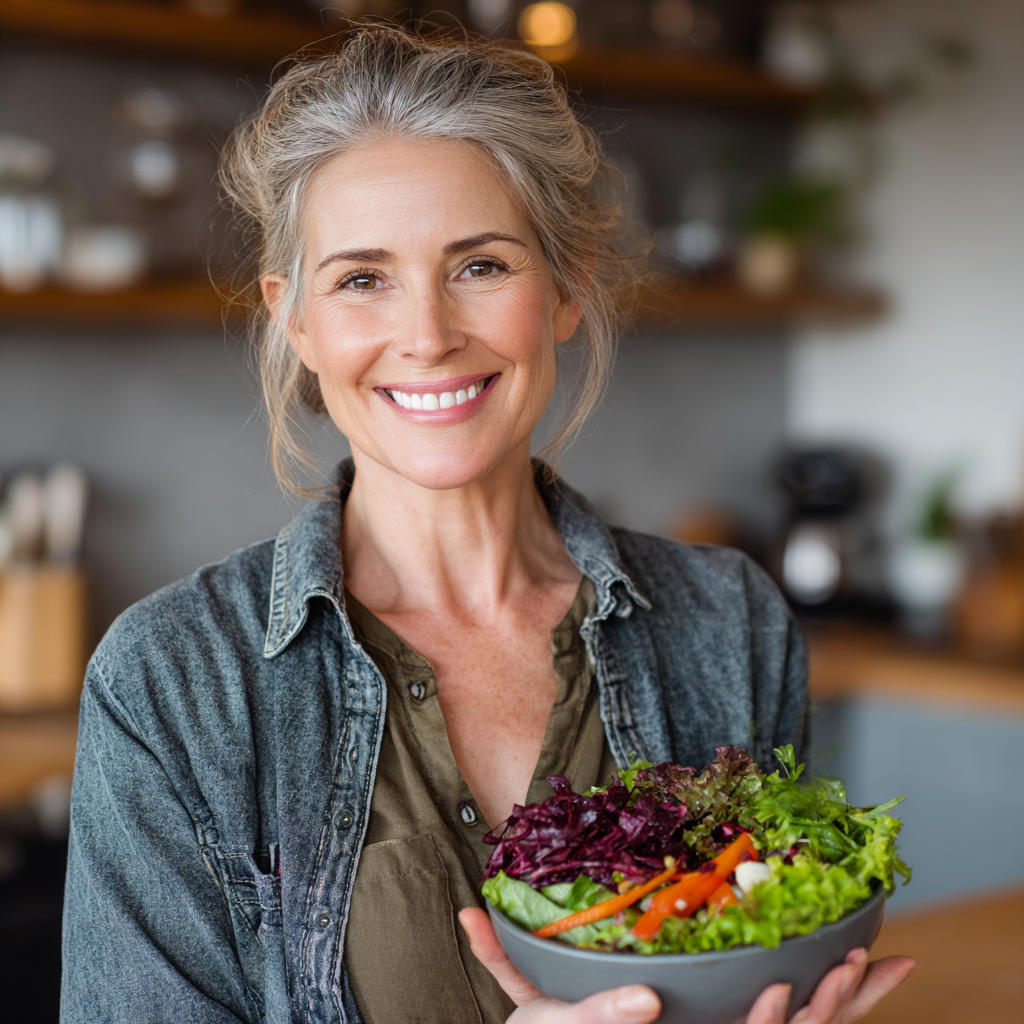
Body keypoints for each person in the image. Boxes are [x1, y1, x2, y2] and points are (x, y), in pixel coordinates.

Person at [61, 25, 913, 1024]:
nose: (426, 335)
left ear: (564, 287)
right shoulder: (172, 678)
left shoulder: (730, 622)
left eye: (479, 266)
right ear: (295, 319)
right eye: (362, 278)